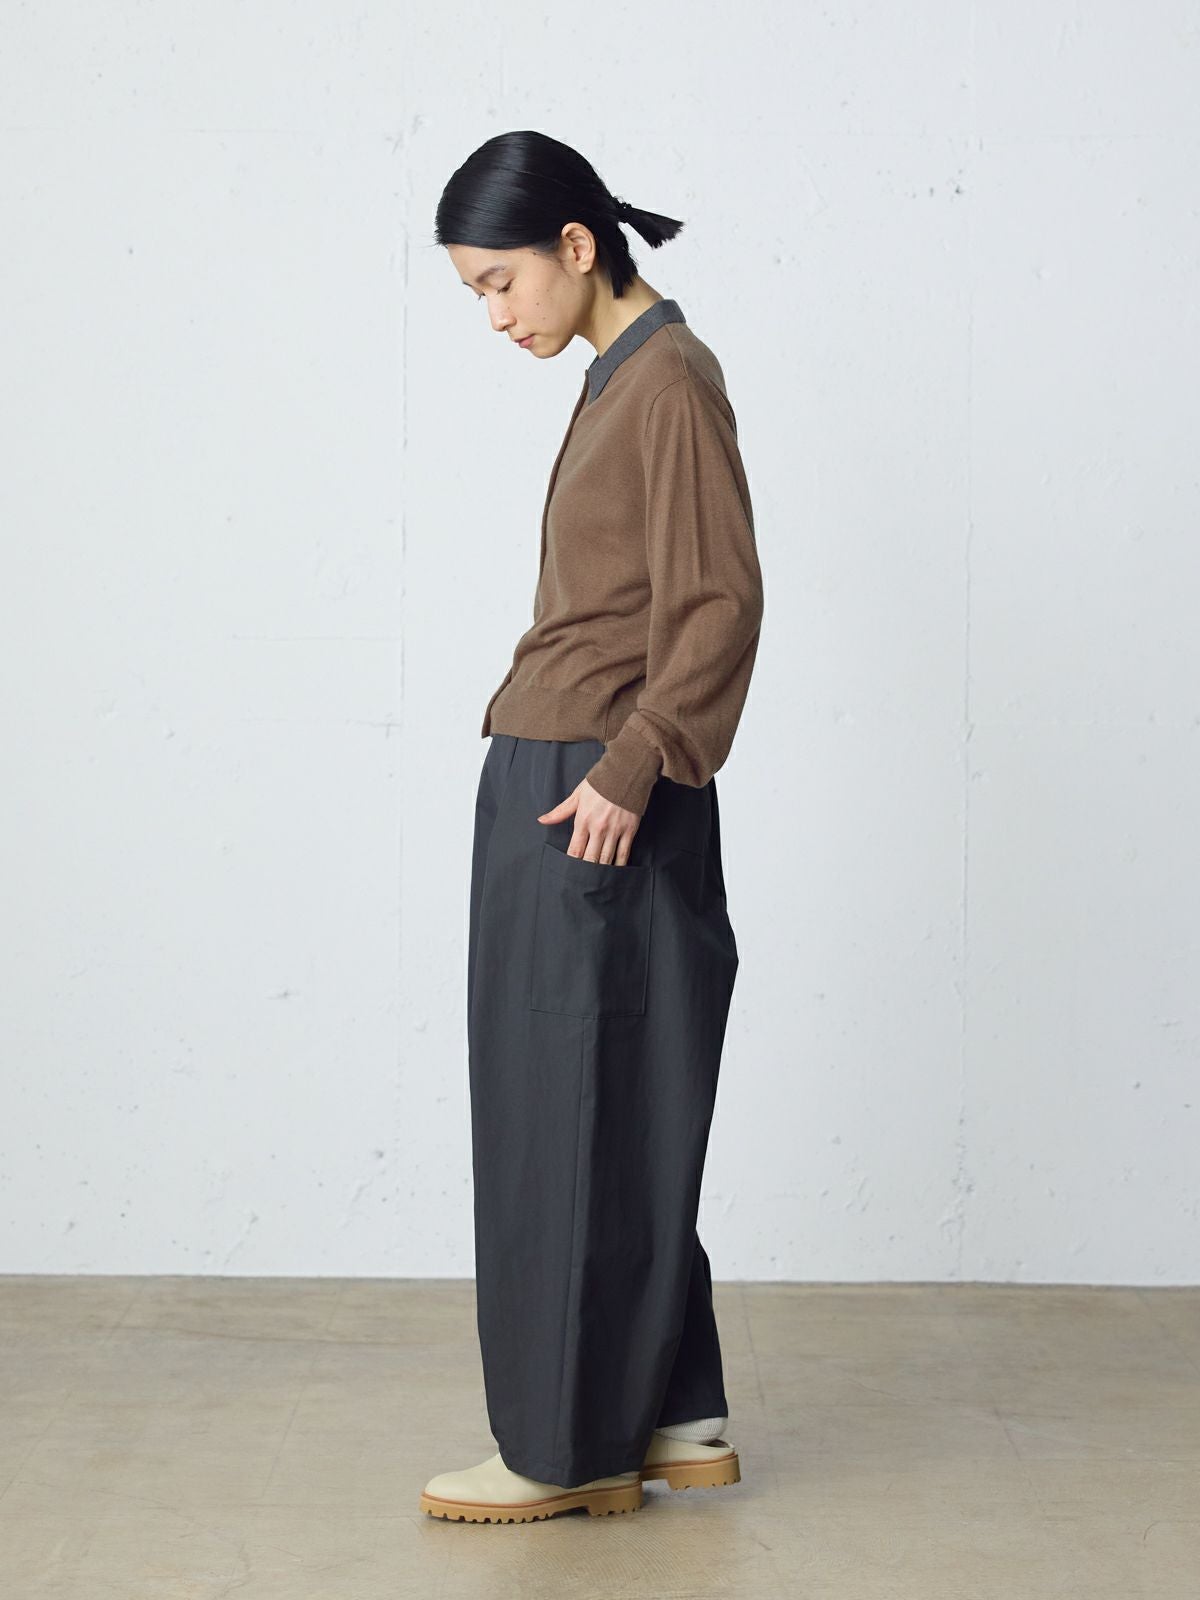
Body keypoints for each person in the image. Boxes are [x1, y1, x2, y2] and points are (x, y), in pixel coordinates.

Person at [419, 130, 765, 1524]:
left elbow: (719, 602)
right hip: (581, 768)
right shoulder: (626, 375)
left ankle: (564, 1453)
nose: (495, 316)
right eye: (475, 295)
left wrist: (634, 763)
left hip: (594, 784)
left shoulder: (667, 379)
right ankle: (677, 1412)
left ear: (577, 245)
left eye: (500, 283)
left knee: (559, 1109)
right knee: (616, 1101)